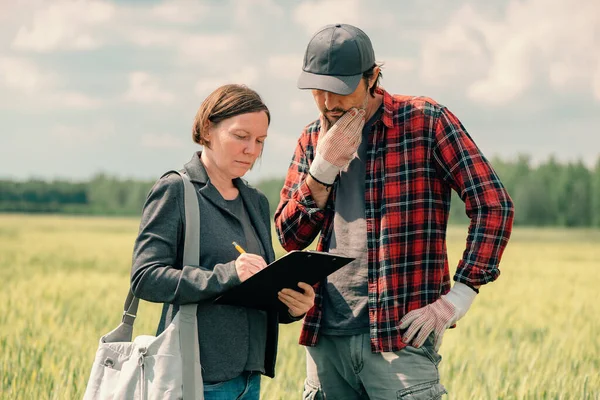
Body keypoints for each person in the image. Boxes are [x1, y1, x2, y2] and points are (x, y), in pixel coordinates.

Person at [274, 24, 515, 399]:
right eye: (317, 90)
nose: (327, 102)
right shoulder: (310, 138)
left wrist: (460, 297)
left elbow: (493, 204)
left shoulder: (426, 122)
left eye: (339, 88)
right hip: (326, 339)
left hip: (400, 339)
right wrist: (320, 173)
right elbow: (290, 237)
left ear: (372, 77)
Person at [130, 84, 315, 400]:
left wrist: (291, 306)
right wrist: (227, 274)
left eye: (260, 141)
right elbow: (145, 278)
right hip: (193, 377)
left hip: (248, 378)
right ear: (207, 130)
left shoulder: (255, 201)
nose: (252, 150)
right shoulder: (175, 190)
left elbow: (254, 290)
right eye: (241, 137)